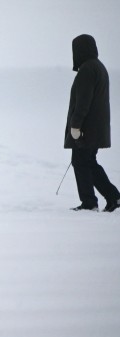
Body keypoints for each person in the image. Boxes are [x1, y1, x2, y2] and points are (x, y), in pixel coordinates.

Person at [64, 34, 120, 212]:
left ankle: (89, 203)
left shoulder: (88, 69)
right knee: (88, 161)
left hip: (86, 129)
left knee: (81, 161)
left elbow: (83, 102)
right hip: (96, 128)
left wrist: (75, 125)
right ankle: (113, 197)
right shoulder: (99, 67)